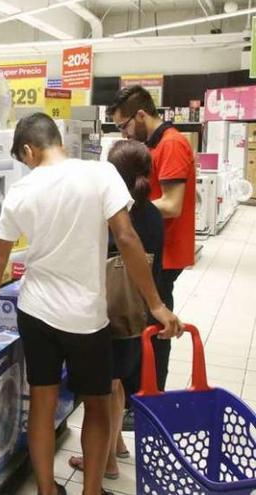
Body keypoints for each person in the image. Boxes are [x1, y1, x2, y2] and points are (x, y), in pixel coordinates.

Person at [0, 113, 181, 495]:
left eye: (23, 159)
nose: (26, 166)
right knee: (97, 405)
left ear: (29, 150)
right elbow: (128, 239)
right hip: (85, 318)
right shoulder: (100, 174)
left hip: (35, 312)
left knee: (43, 402)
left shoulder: (21, 192)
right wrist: (157, 305)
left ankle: (47, 490)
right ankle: (91, 491)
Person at [67, 140, 165, 480]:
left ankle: (105, 461)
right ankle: (118, 444)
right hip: (137, 315)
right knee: (119, 379)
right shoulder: (152, 213)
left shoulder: (116, 216)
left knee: (104, 388)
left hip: (111, 313)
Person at [108, 86, 196, 428]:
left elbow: (172, 204)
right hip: (149, 248)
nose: (125, 133)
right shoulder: (154, 145)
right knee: (143, 323)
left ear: (140, 116)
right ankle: (137, 400)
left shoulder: (172, 144)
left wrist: (124, 210)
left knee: (156, 326)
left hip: (164, 252)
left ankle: (150, 400)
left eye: (124, 126)